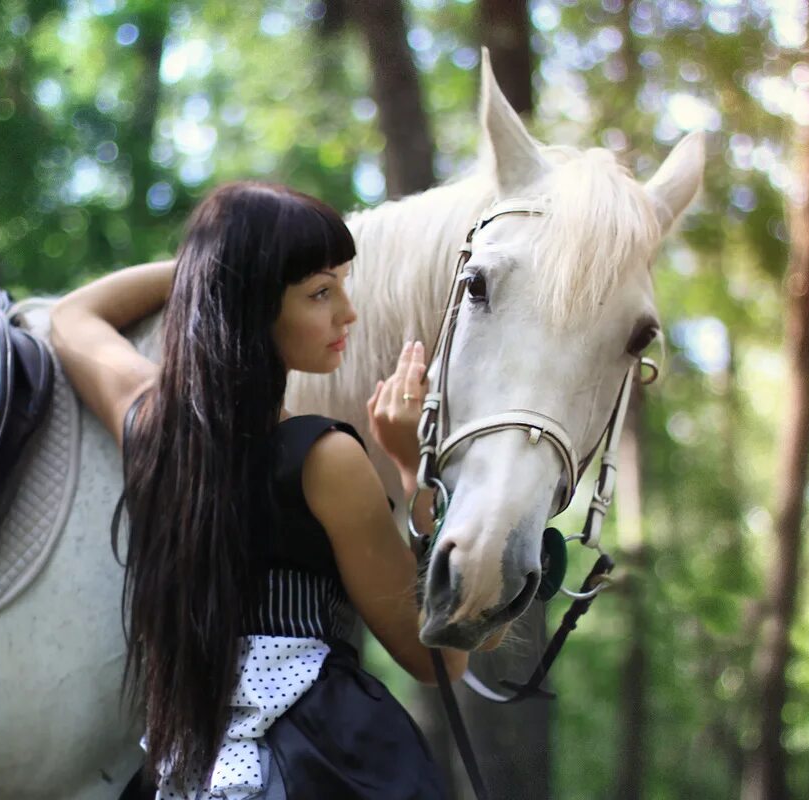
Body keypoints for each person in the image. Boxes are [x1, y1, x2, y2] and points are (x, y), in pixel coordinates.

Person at [50, 182, 490, 800]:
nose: (348, 313)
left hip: (187, 772)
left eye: (340, 284)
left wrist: (214, 269)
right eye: (319, 292)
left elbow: (72, 316)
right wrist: (416, 471)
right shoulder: (325, 460)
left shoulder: (149, 426)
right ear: (254, 303)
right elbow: (440, 661)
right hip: (325, 764)